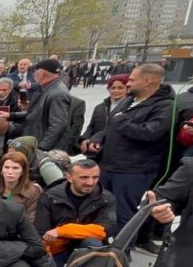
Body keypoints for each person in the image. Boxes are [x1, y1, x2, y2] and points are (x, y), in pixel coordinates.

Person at [88, 64, 175, 236]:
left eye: (132, 80)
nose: (128, 83)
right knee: (101, 208)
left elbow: (150, 132)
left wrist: (122, 122)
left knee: (123, 213)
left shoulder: (165, 106)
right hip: (108, 164)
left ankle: (123, 249)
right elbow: (111, 124)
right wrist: (98, 138)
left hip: (133, 170)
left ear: (146, 81)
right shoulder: (129, 100)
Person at [9, 58, 71, 152]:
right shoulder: (47, 88)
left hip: (42, 145)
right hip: (35, 140)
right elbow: (36, 114)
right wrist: (10, 115)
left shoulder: (58, 93)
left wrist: (41, 149)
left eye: (35, 71)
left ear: (42, 72)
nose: (33, 74)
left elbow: (58, 125)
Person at [0, 151, 43, 222]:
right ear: (1, 170)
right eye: (6, 167)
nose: (10, 172)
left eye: (15, 168)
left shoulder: (33, 192)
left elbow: (30, 220)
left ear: (23, 171)